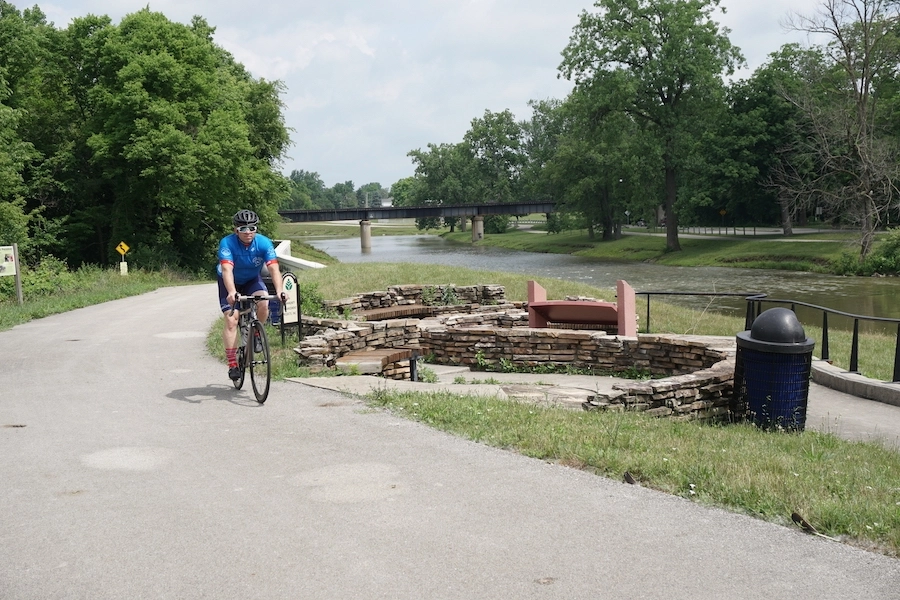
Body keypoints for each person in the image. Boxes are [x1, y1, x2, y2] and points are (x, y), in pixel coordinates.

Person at [217, 209, 285, 381]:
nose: (248, 232)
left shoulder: (263, 243)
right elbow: (227, 269)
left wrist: (279, 290)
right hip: (229, 281)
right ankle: (233, 364)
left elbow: (273, 268)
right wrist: (232, 291)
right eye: (243, 229)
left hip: (252, 279)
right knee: (232, 320)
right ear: (236, 230)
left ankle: (256, 333)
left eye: (252, 228)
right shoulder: (227, 243)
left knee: (264, 303)